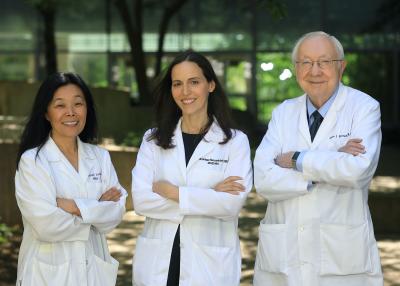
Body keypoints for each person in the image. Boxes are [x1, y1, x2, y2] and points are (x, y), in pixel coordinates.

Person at [253, 31, 383, 286]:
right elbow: (263, 179)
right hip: (283, 257)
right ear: (296, 68)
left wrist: (297, 159)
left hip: (343, 258)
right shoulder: (283, 112)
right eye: (306, 62)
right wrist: (329, 164)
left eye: (324, 62)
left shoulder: (364, 107)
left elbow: (357, 171)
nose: (315, 71)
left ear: (341, 66)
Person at [131, 50, 252, 286]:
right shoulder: (152, 140)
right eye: (177, 84)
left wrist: (173, 192)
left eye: (194, 82)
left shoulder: (236, 142)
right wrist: (209, 196)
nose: (185, 92)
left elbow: (231, 204)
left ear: (211, 85)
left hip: (209, 266)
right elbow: (142, 201)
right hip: (159, 262)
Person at [15, 72, 127, 286]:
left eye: (78, 104)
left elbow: (116, 212)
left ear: (87, 109)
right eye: (60, 105)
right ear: (46, 113)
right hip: (46, 274)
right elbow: (45, 225)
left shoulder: (100, 157)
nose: (71, 112)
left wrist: (72, 206)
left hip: (93, 271)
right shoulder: (33, 162)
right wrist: (95, 214)